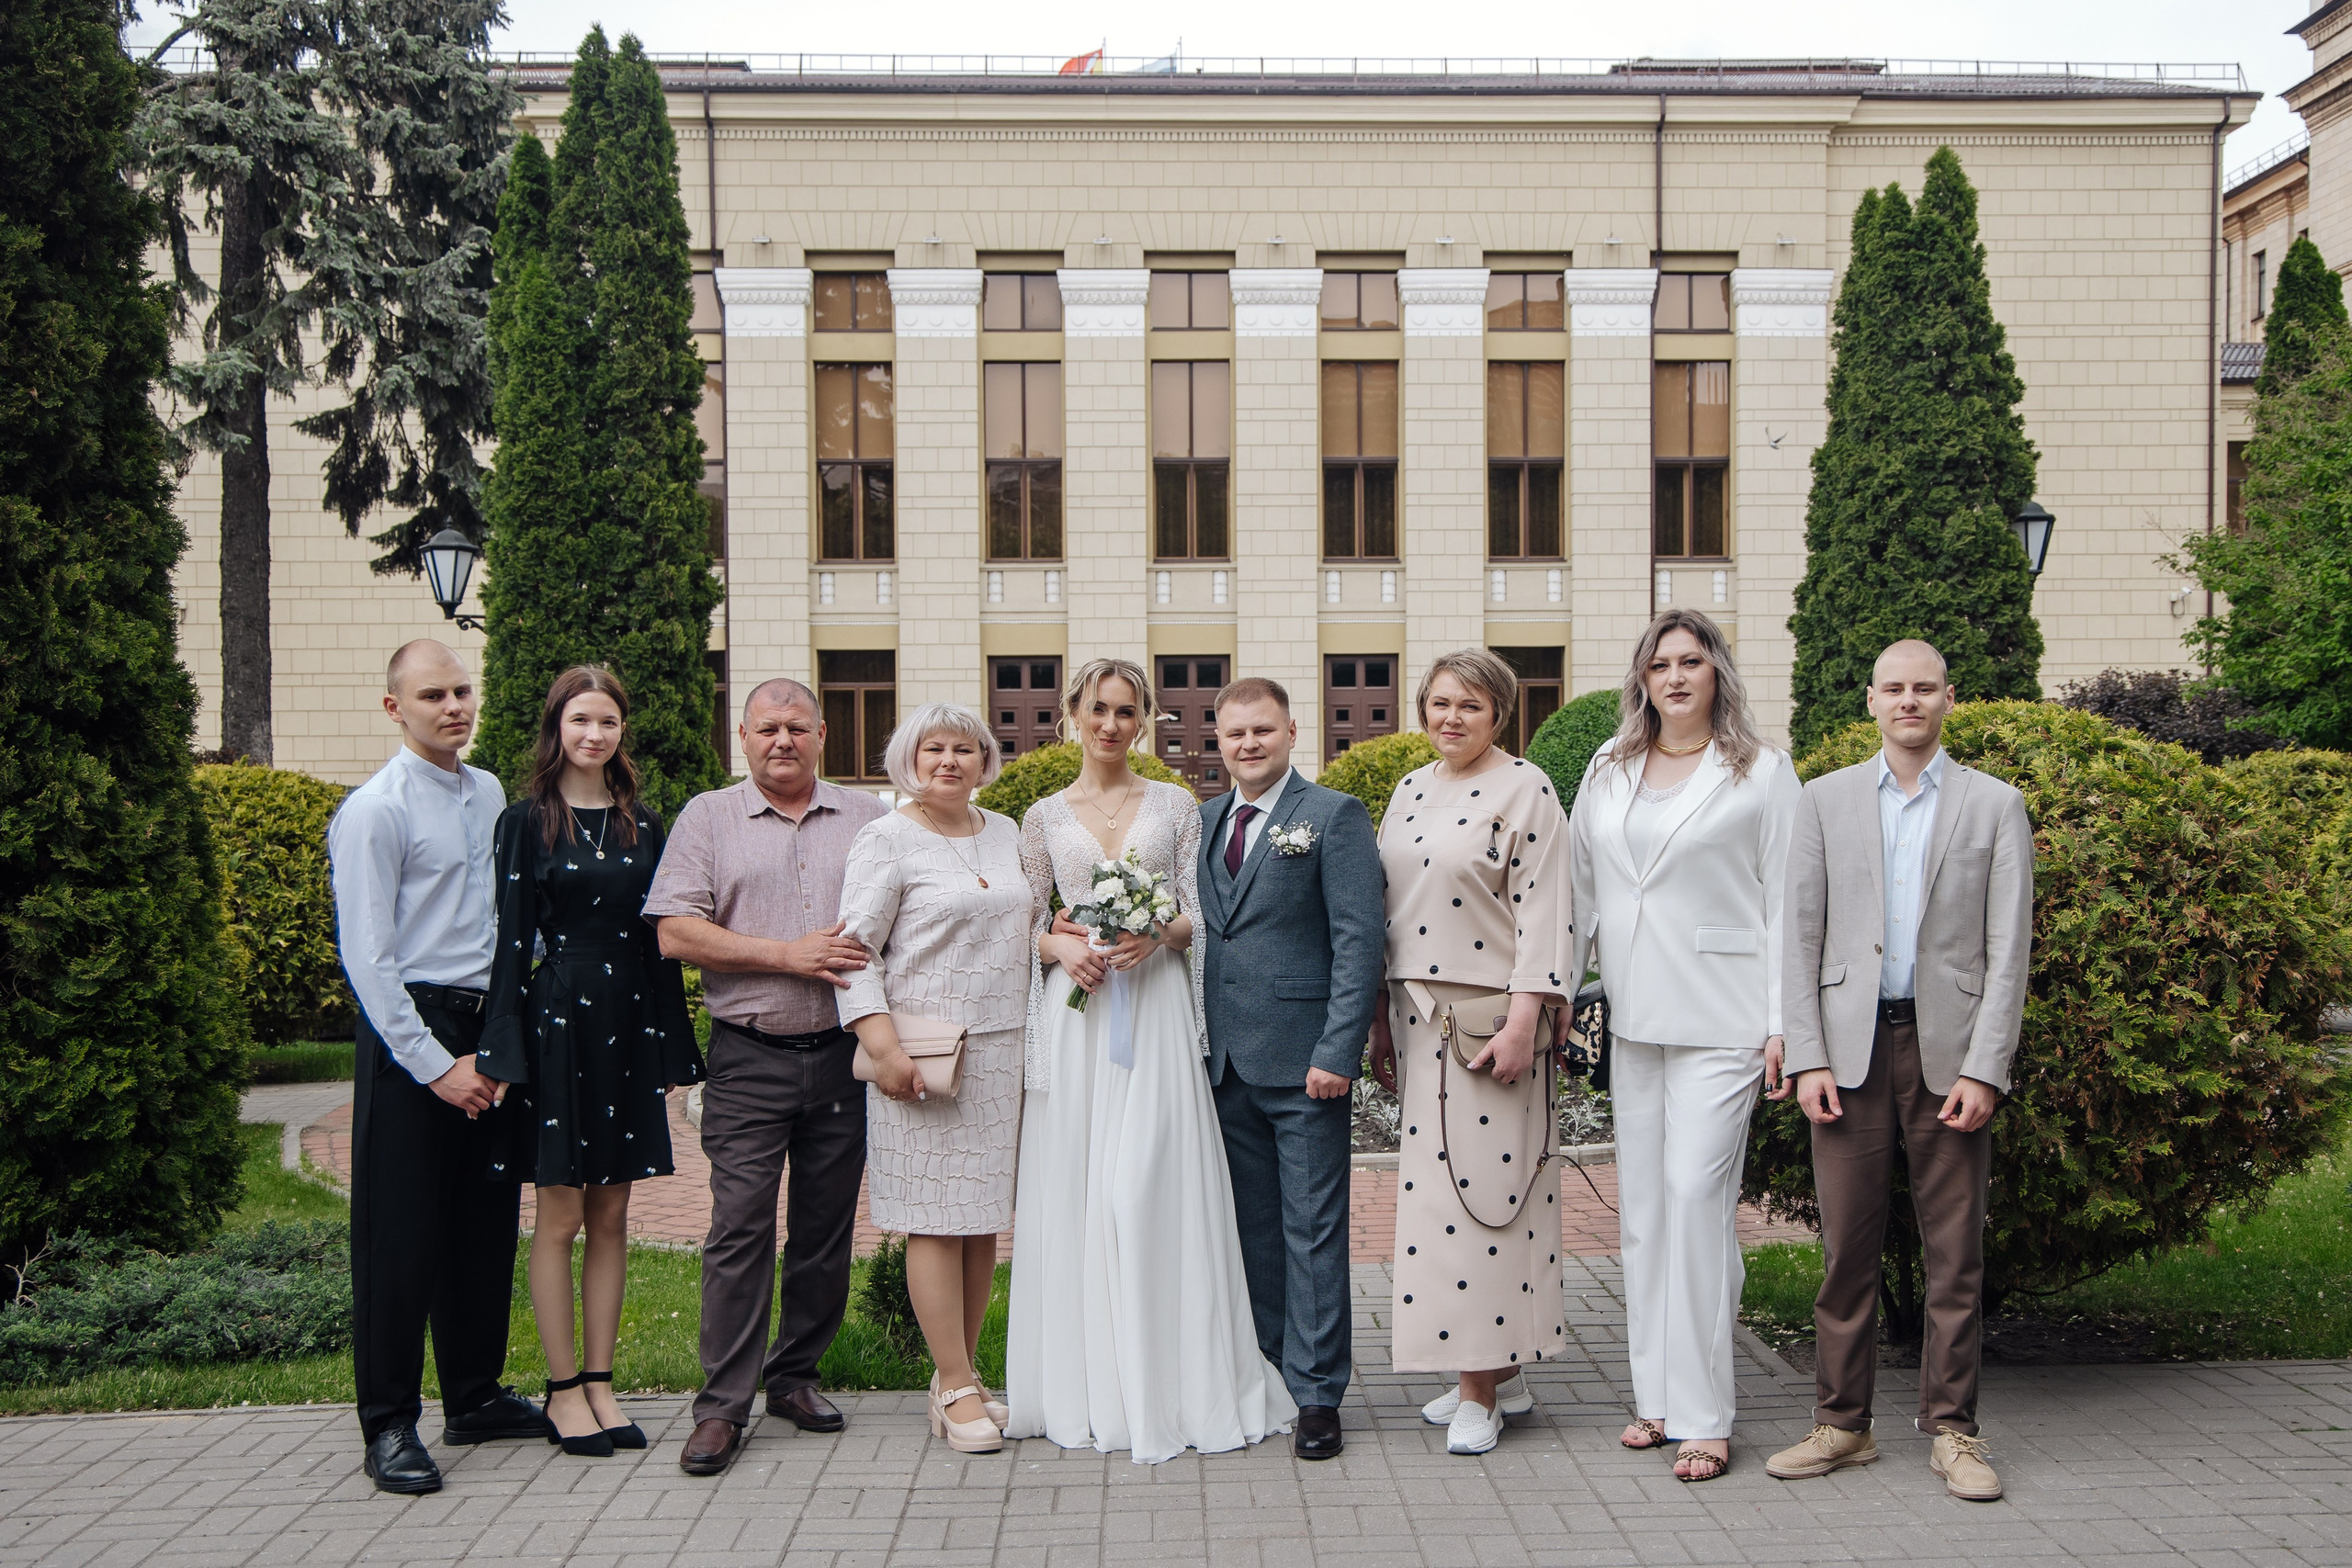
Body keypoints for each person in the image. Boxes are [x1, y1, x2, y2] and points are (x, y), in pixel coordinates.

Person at [1005, 657, 1296, 1462]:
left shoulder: (1176, 806)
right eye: (1098, 709)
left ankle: (1175, 1377)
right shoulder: (1040, 815)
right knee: (1082, 1192)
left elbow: (1199, 916)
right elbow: (1028, 921)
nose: (1111, 724)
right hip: (1081, 1018)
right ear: (1073, 714)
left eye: (1127, 711)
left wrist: (1153, 930)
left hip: (1159, 1010)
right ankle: (1087, 1386)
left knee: (1147, 1187)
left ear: (1145, 720)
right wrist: (1063, 951)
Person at [1763, 639, 2032, 1503]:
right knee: (1848, 1248)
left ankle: (1954, 1430)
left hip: (1947, 1052)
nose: (1908, 700)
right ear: (1871, 700)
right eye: (1893, 688)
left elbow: (2008, 953)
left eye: (1924, 688)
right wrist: (1805, 1054)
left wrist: (1987, 1068)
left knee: (1955, 1256)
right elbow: (1797, 940)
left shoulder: (1995, 806)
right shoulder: (1823, 800)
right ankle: (1843, 1423)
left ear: (1949, 699)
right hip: (1848, 1052)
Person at [1566, 609, 1799, 1482]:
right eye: (1659, 663)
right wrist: (1558, 990)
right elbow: (1582, 890)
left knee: (1698, 1204)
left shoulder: (1762, 772)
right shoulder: (1609, 766)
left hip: (1724, 1019)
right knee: (1647, 1216)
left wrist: (1785, 1023)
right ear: (1642, 678)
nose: (1674, 676)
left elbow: (1788, 903)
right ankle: (1656, 1394)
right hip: (1634, 1019)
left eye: (1690, 661)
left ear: (1717, 673)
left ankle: (1706, 1415)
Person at [645, 679, 886, 1476]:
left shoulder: (870, 818)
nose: (781, 740)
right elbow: (676, 931)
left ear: (822, 732)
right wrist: (787, 955)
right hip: (749, 1054)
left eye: (796, 727)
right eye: (766, 728)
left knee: (824, 1232)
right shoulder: (708, 817)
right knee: (740, 1227)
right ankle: (721, 1407)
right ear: (741, 736)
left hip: (844, 1054)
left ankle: (794, 1376)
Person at [329, 639, 551, 1495]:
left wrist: (501, 1037)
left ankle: (475, 1394)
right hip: (409, 1033)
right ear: (396, 707)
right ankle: (388, 1423)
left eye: (462, 690)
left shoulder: (490, 790)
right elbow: (369, 961)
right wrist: (433, 1065)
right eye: (433, 694)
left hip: (487, 1020)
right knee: (402, 1236)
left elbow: (499, 916)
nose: (453, 705)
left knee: (481, 1225)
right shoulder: (374, 811)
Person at [477, 667, 704, 1458]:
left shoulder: (644, 821)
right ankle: (563, 1387)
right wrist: (500, 1046)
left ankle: (603, 1382)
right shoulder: (524, 820)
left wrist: (677, 1044)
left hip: (632, 1018)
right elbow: (508, 941)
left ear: (620, 731)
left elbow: (662, 941)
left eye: (608, 721)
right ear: (557, 727)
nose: (595, 734)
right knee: (562, 1214)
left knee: (614, 1213)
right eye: (581, 720)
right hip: (558, 1022)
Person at [1366, 648, 1574, 1457]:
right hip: (1417, 1019)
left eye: (1471, 706)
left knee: (1482, 1201)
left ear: (1501, 714)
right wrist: (1383, 1018)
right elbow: (1392, 910)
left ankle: (1478, 1392)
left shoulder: (1529, 787)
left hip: (1490, 1023)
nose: (1451, 718)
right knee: (1436, 1205)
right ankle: (1498, 1374)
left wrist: (1527, 1018)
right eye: (1439, 703)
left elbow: (1545, 908)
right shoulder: (1411, 787)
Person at [1193, 677, 1383, 1461]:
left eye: (1262, 731)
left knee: (1313, 1231)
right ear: (1219, 737)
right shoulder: (1204, 820)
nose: (1247, 744)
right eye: (1234, 732)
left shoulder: (1332, 816)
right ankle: (1269, 1368)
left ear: (1291, 731)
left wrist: (1337, 1051)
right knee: (1253, 1230)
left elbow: (1359, 941)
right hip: (1225, 1063)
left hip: (1306, 1065)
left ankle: (1316, 1394)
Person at [835, 704, 1031, 1454]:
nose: (949, 760)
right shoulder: (885, 836)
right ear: (909, 758)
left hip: (1002, 1051)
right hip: (921, 1057)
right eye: (934, 748)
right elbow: (855, 949)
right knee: (934, 1219)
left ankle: (967, 1373)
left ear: (984, 760)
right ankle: (949, 1382)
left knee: (981, 1219)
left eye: (965, 748)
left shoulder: (1006, 831)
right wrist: (882, 1048)